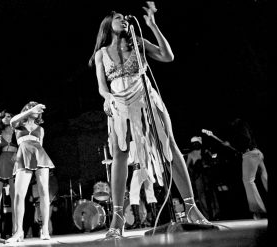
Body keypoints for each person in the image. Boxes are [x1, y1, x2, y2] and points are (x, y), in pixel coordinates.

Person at [89, 1, 209, 239]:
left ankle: (191, 206)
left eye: (125, 18)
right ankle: (118, 217)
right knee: (119, 153)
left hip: (145, 98)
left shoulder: (139, 43)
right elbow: (102, 87)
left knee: (168, 145)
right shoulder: (102, 54)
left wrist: (152, 25)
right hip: (119, 104)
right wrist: (107, 98)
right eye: (118, 18)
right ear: (107, 24)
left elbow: (168, 56)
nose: (124, 20)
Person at [6, 101, 55, 242]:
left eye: (36, 109)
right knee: (19, 194)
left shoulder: (40, 128)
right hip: (23, 155)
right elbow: (13, 120)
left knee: (44, 192)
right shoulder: (18, 125)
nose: (34, 110)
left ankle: (45, 230)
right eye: (31, 108)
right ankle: (18, 231)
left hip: (40, 156)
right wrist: (31, 110)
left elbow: (41, 145)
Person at [224, 119, 268, 219]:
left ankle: (258, 211)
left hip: (250, 155)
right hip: (257, 153)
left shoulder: (240, 125)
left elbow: (245, 139)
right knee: (265, 178)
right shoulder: (244, 124)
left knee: (248, 181)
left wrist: (230, 143)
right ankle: (258, 210)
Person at [0, 110, 18, 238]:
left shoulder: (17, 130)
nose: (9, 118)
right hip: (2, 162)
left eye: (10, 116)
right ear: (1, 119)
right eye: (6, 116)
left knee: (15, 199)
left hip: (15, 163)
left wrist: (17, 153)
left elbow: (23, 145)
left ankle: (16, 229)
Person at [186, 136, 220, 220]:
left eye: (196, 143)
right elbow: (187, 167)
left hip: (208, 175)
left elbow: (213, 161)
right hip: (198, 176)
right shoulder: (191, 154)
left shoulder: (205, 151)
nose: (195, 145)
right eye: (193, 143)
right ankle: (206, 215)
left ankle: (216, 213)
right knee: (201, 195)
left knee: (212, 194)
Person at [127, 142, 157, 229]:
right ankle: (155, 220)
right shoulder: (148, 140)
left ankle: (137, 221)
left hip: (138, 169)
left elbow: (131, 160)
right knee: (150, 194)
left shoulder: (133, 143)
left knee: (133, 194)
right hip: (149, 169)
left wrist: (116, 161)